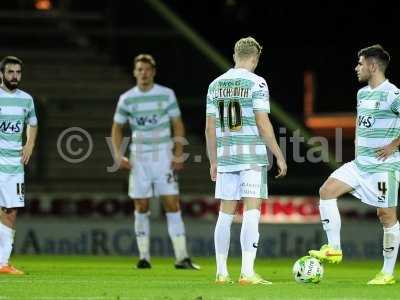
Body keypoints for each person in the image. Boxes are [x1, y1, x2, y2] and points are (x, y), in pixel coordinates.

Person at [309, 44, 400, 285]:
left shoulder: (393, 94)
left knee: (386, 215)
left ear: (372, 66)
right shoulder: (362, 94)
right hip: (361, 164)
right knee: (327, 191)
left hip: (384, 166)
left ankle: (387, 273)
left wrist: (394, 144)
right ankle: (334, 248)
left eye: (360, 63)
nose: (356, 67)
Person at [205, 37, 287, 285]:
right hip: (251, 156)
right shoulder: (257, 82)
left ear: (234, 55)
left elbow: (210, 128)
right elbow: (263, 123)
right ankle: (247, 272)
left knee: (225, 214)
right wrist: (279, 155)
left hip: (226, 156)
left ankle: (221, 273)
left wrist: (213, 160)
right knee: (252, 211)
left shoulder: (215, 85)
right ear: (255, 58)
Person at [111, 54, 199, 270]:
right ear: (134, 72)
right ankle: (144, 257)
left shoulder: (166, 94)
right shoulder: (127, 98)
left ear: (153, 72)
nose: (143, 73)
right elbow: (116, 127)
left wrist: (178, 153)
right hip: (139, 157)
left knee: (171, 203)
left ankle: (182, 257)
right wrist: (117, 154)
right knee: (141, 205)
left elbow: (177, 124)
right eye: (140, 69)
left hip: (163, 155)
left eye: (147, 69)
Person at [0, 56, 38, 275]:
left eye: (18, 72)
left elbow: (33, 123)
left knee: (11, 211)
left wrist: (29, 144)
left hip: (14, 164)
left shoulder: (26, 99)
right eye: (10, 72)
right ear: (2, 74)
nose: (14, 76)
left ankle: (3, 263)